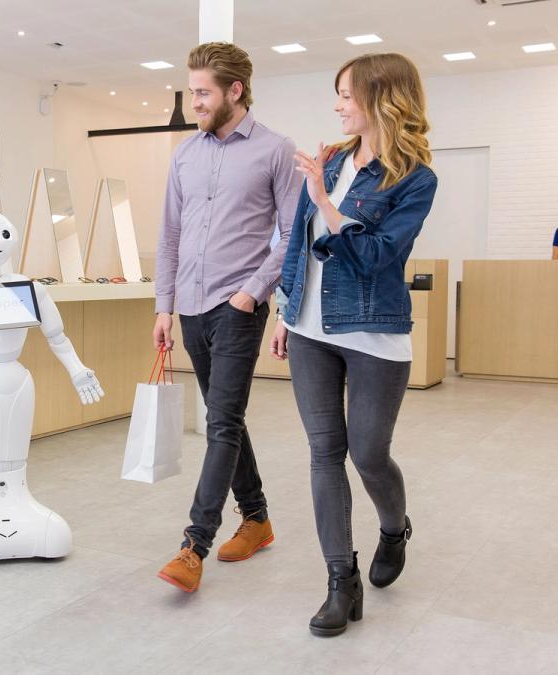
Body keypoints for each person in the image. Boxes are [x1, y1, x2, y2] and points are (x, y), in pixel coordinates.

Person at [271, 53, 437, 636]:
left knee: (367, 454)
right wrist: (285, 309)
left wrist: (322, 197)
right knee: (324, 451)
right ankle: (342, 581)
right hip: (309, 329)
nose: (338, 105)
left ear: (380, 97)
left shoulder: (414, 177)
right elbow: (298, 242)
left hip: (373, 330)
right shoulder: (334, 159)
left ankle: (394, 528)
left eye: (346, 94)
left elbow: (374, 257)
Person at [153, 41, 300, 593]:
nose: (193, 102)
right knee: (226, 417)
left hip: (237, 306)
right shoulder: (185, 155)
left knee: (219, 422)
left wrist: (254, 291)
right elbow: (169, 234)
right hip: (189, 305)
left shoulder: (274, 151)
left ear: (234, 91)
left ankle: (194, 545)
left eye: (201, 93)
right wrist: (163, 305)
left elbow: (294, 233)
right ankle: (257, 518)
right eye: (191, 92)